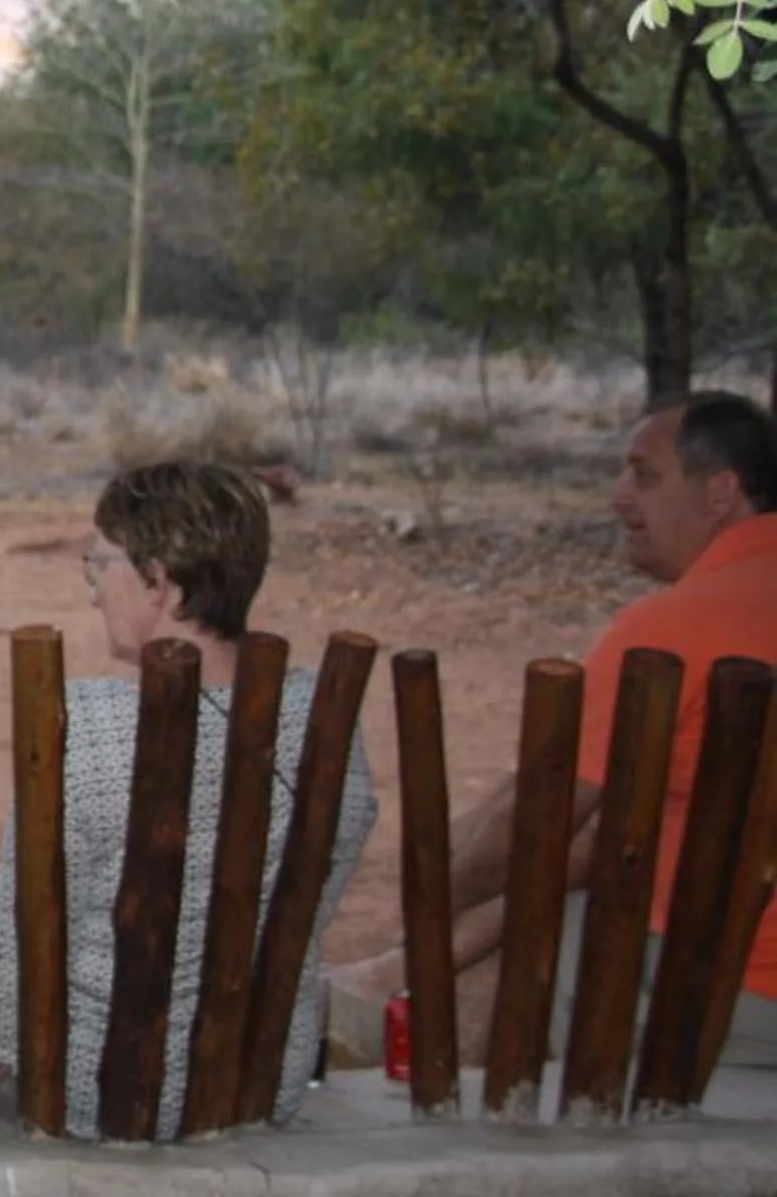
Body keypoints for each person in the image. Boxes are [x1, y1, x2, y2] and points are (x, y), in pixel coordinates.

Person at [331, 391, 777, 1069]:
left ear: (720, 492)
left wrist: (441, 903)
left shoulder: (676, 628)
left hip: (731, 991)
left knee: (548, 932)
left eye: (645, 476)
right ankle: (381, 985)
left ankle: (379, 1021)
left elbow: (536, 823)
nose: (620, 499)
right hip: (727, 950)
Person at [0, 462, 377, 1141]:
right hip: (259, 1081)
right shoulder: (325, 719)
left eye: (100, 564)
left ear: (159, 580)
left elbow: (22, 953)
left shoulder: (83, 730)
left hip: (92, 1090)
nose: (92, 589)